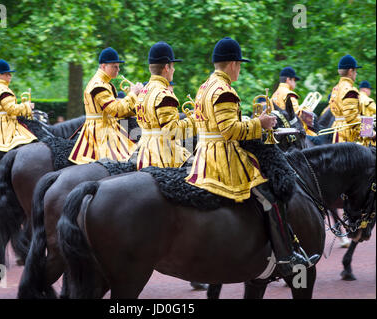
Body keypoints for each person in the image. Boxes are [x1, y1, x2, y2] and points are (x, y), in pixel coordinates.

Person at [185, 37, 319, 277]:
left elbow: (220, 124)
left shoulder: (205, 86)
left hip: (204, 153)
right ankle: (287, 256)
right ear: (234, 63)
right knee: (268, 193)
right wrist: (261, 123)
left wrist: (251, 121)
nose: (240, 69)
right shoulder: (224, 90)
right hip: (223, 157)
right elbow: (230, 131)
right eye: (240, 64)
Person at [68, 47, 143, 164]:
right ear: (103, 66)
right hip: (101, 133)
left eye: (118, 66)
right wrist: (133, 94)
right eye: (115, 66)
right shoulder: (99, 85)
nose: (118, 70)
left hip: (109, 128)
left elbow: (120, 111)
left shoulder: (105, 83)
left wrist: (137, 99)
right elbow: (115, 111)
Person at [134, 41, 195, 169]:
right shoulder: (164, 95)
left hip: (144, 155)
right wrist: (196, 119)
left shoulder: (143, 92)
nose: (173, 70)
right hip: (165, 158)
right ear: (167, 67)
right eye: (172, 66)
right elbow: (173, 131)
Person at [0, 59, 37, 152]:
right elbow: (11, 109)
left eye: (10, 73)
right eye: (7, 74)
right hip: (6, 125)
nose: (10, 76)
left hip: (7, 122)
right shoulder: (3, 90)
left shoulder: (1, 88)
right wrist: (27, 106)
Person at [328, 55, 363, 143]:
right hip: (348, 136)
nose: (356, 74)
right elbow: (352, 119)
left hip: (337, 133)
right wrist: (370, 133)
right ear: (351, 71)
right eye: (356, 71)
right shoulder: (349, 91)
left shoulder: (336, 89)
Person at [271, 67, 316, 136]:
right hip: (293, 131)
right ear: (288, 79)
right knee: (318, 139)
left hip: (279, 130)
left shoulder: (274, 95)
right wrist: (307, 110)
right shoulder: (289, 94)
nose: (295, 83)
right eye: (294, 80)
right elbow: (296, 115)